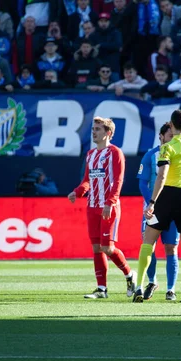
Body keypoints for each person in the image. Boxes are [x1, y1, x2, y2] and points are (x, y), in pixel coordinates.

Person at [133, 65, 181, 304]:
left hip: (166, 197)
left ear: (171, 127)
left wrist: (152, 202)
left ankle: (140, 287)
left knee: (148, 241)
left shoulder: (167, 147)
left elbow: (161, 176)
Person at [68, 117, 136, 299]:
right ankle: (101, 289)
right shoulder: (90, 154)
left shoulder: (115, 152)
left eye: (98, 129)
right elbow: (87, 181)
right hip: (92, 206)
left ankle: (130, 275)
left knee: (108, 248)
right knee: (97, 248)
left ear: (108, 133)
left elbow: (119, 180)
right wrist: (77, 192)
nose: (94, 132)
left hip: (108, 207)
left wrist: (110, 202)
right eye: (93, 129)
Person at [137, 122, 181, 301]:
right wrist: (150, 202)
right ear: (161, 136)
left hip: (173, 203)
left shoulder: (178, 151)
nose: (173, 139)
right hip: (155, 207)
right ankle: (151, 281)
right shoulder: (151, 156)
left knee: (171, 247)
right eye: (169, 136)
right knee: (148, 244)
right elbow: (143, 182)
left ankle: (171, 289)